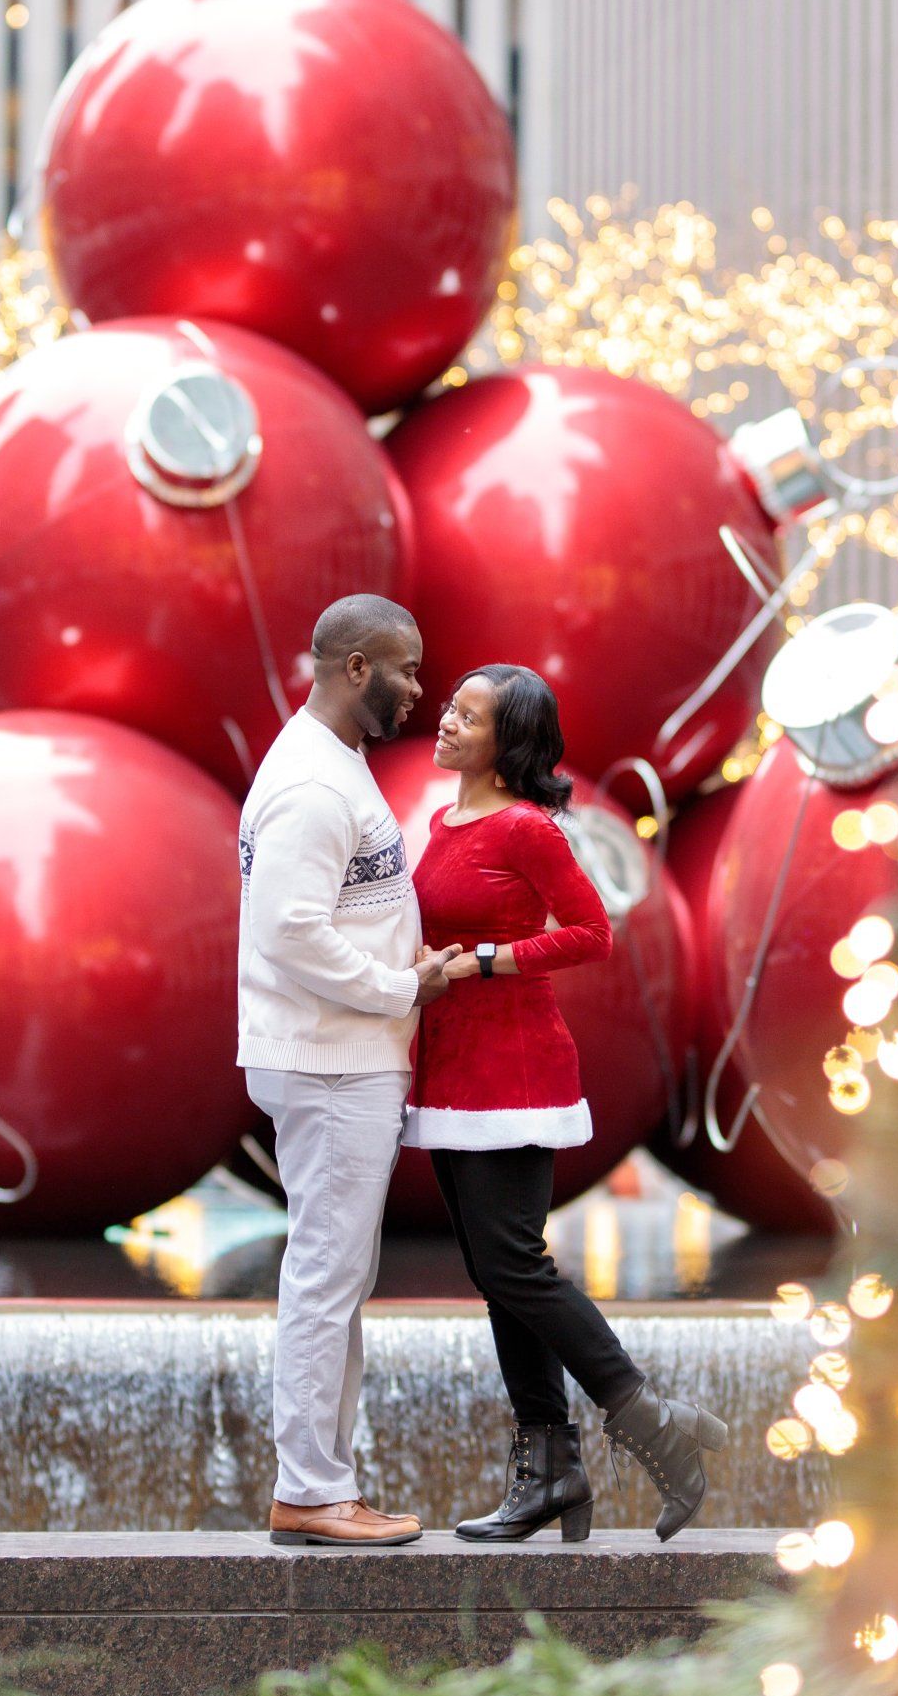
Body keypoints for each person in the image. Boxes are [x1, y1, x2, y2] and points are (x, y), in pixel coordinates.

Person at [406, 663, 727, 1543]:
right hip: (451, 1068)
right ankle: (550, 1469)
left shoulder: (528, 827)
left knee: (514, 1266)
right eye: (451, 709)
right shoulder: (440, 823)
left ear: (507, 745)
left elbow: (592, 931)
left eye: (467, 718)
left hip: (515, 1067)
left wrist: (487, 961)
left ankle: (655, 1427)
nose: (446, 722)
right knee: (493, 1273)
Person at [238, 592, 451, 1546]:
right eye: (405, 669)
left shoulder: (333, 766)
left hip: (340, 1055)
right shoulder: (315, 787)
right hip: (331, 1061)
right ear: (356, 668)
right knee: (327, 1275)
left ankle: (324, 1481)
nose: (418, 689)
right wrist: (399, 988)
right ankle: (312, 1490)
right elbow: (288, 931)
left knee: (336, 1271)